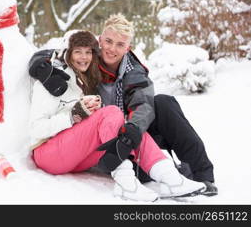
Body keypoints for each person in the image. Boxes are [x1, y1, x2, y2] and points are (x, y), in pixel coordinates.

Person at [28, 15, 218, 197]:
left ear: (128, 48)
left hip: (128, 131)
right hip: (96, 134)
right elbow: (57, 53)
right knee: (136, 165)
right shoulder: (87, 57)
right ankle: (157, 172)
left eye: (120, 45)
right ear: (100, 40)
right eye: (108, 42)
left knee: (163, 102)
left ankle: (201, 174)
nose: (112, 49)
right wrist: (39, 64)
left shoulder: (133, 71)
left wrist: (133, 130)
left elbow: (143, 104)